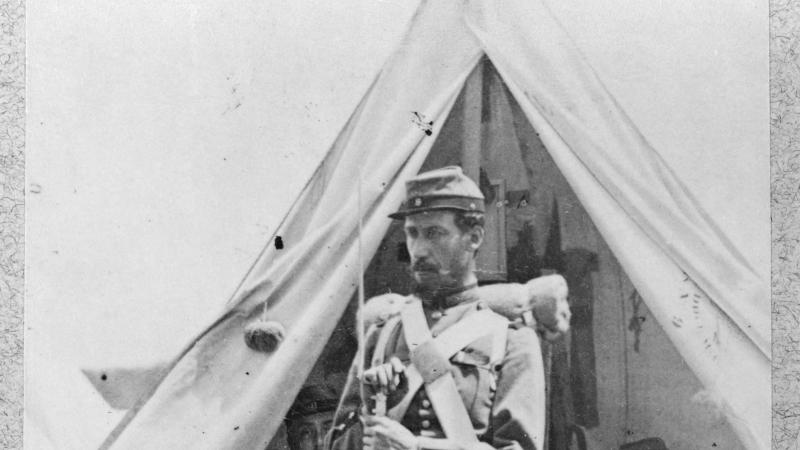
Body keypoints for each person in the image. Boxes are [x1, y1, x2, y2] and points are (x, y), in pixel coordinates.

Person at [325, 166, 548, 450]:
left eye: (434, 233)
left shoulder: (512, 341)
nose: (418, 249)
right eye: (412, 233)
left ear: (475, 237)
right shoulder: (381, 335)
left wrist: (415, 447)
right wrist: (373, 407)